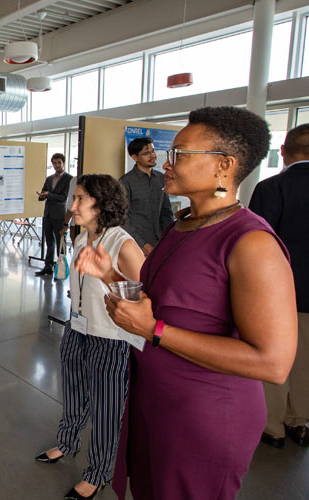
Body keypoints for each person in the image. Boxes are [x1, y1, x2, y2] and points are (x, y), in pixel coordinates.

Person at [76, 106, 297, 499]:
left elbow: (273, 363)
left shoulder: (251, 243)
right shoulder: (182, 226)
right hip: (156, 397)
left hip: (205, 415)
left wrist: (154, 332)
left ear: (223, 166)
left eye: (180, 154)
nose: (166, 163)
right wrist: (112, 277)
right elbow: (171, 302)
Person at [35, 175, 145, 500]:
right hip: (77, 329)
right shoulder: (82, 237)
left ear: (103, 203)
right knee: (73, 394)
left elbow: (145, 297)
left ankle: (98, 473)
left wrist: (112, 276)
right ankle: (67, 442)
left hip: (110, 339)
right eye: (75, 198)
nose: (73, 206)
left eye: (81, 199)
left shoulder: (122, 243)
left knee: (106, 410)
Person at [250, 123, 309, 449]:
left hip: (279, 293)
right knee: (307, 361)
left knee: (273, 357)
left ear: (284, 151)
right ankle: (299, 422)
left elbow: (257, 245)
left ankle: (272, 428)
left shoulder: (271, 188)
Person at [119, 137, 173, 256]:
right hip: (135, 244)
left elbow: (166, 212)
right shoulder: (125, 182)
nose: (152, 156)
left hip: (160, 242)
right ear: (135, 157)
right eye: (146, 153)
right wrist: (143, 244)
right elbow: (122, 219)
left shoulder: (160, 178)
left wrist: (169, 238)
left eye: (153, 151)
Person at [36, 153, 74, 276]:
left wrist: (48, 195)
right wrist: (42, 196)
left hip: (59, 214)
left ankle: (61, 269)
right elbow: (44, 193)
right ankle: (48, 267)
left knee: (60, 242)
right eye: (54, 163)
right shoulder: (49, 178)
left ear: (63, 163)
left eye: (59, 163)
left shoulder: (69, 179)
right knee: (49, 242)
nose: (57, 165)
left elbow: (63, 197)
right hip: (47, 214)